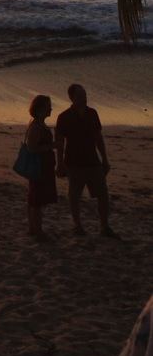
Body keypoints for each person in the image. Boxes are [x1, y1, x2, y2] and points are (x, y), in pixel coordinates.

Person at [55, 83, 118, 238]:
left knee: (103, 194)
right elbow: (59, 143)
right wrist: (60, 163)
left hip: (92, 161)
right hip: (74, 162)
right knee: (74, 195)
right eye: (80, 96)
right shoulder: (63, 117)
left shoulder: (92, 113)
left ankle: (104, 226)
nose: (84, 98)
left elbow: (98, 138)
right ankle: (77, 226)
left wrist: (105, 159)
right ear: (72, 98)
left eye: (85, 95)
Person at [24, 94, 57, 241]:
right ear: (41, 109)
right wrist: (51, 146)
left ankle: (34, 228)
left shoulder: (39, 124)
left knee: (36, 198)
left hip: (44, 166)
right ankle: (37, 230)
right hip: (39, 167)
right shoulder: (36, 126)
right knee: (36, 199)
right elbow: (31, 147)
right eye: (48, 106)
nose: (51, 108)